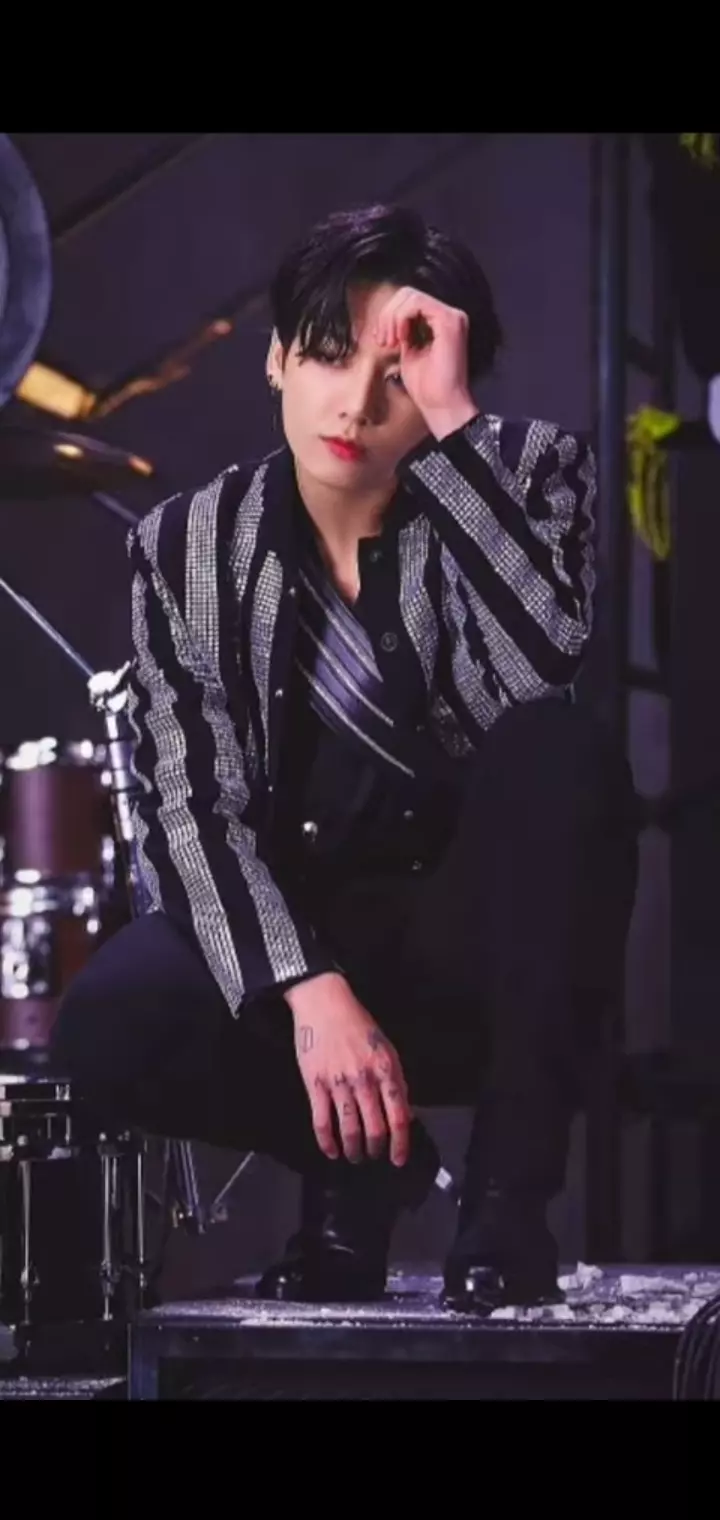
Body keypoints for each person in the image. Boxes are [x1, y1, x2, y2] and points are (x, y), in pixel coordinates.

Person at [50, 203, 639, 1314]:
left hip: (486, 955)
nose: (358, 404)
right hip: (308, 969)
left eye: (400, 372)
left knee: (561, 750)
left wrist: (453, 425)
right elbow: (192, 808)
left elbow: (542, 664)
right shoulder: (184, 546)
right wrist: (305, 985)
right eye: (328, 356)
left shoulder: (528, 473)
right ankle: (359, 1178)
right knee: (109, 1016)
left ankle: (505, 1205)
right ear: (278, 358)